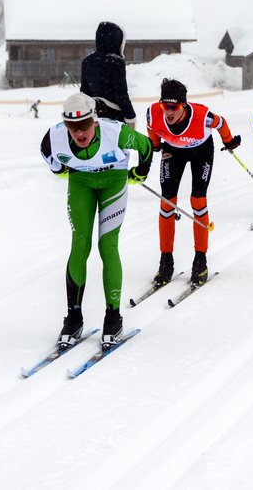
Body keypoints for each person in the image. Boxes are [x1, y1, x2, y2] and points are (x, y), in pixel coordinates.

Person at [39, 92, 154, 349]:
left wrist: (139, 173)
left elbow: (146, 147)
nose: (79, 133)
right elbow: (47, 154)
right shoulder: (54, 137)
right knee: (80, 244)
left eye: (84, 125)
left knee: (106, 245)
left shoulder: (116, 133)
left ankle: (113, 317)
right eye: (72, 127)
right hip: (81, 182)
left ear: (95, 120)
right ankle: (74, 317)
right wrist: (61, 171)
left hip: (113, 181)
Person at [146, 79, 240, 287]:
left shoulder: (202, 117)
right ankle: (166, 260)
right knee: (167, 202)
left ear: (184, 105)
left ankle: (200, 260)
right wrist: (154, 143)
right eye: (165, 106)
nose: (168, 112)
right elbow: (151, 126)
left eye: (174, 107)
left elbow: (221, 123)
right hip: (174, 151)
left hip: (201, 151)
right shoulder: (154, 113)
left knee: (198, 199)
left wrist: (229, 141)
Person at [80, 21, 136, 128]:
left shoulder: (87, 61)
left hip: (94, 118)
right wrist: (130, 117)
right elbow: (121, 95)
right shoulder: (116, 62)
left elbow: (84, 93)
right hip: (115, 118)